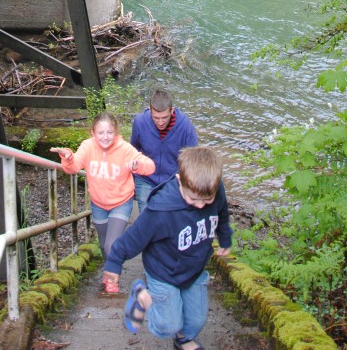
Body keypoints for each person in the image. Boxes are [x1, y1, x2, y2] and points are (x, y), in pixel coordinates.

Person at [102, 146, 231, 350]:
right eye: (193, 199)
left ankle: (183, 339)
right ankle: (143, 297)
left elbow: (222, 213)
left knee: (196, 320)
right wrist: (114, 261)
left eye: (207, 200)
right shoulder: (161, 210)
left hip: (194, 269)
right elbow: (134, 236)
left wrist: (225, 238)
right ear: (180, 180)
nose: (200, 206)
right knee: (167, 325)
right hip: (163, 271)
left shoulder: (215, 190)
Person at [50, 111, 155, 295]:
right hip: (98, 204)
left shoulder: (125, 149)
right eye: (101, 133)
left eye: (109, 133)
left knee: (111, 245)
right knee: (103, 244)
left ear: (116, 132)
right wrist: (67, 157)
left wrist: (137, 166)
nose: (105, 137)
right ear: (93, 132)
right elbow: (74, 167)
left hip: (121, 202)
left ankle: (113, 279)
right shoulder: (87, 146)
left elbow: (150, 166)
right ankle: (109, 272)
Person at [130, 88, 199, 212]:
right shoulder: (140, 122)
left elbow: (193, 160)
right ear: (150, 110)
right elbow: (133, 151)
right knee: (147, 217)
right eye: (156, 118)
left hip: (173, 180)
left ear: (172, 111)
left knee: (170, 219)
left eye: (164, 117)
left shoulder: (185, 126)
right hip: (145, 178)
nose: (160, 122)